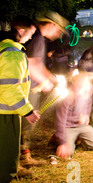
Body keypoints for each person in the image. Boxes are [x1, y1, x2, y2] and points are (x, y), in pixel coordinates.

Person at [22, 11, 68, 168]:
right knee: (27, 122)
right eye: (59, 30)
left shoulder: (38, 39)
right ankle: (19, 159)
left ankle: (23, 155)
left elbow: (38, 63)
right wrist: (45, 82)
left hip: (32, 88)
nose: (59, 34)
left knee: (29, 122)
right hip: (29, 89)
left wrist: (50, 77)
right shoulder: (37, 39)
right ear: (51, 25)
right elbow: (30, 65)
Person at [0, 16, 40, 183]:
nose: (31, 37)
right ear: (21, 30)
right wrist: (28, 111)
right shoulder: (12, 53)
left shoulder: (4, 48)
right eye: (30, 33)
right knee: (7, 160)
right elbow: (8, 87)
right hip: (6, 114)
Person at [52, 71, 93, 159]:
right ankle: (57, 139)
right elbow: (60, 120)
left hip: (81, 126)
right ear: (75, 83)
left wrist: (86, 115)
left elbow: (88, 107)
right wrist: (62, 143)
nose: (87, 84)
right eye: (84, 82)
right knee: (67, 154)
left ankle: (76, 139)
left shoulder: (87, 93)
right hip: (68, 127)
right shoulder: (68, 96)